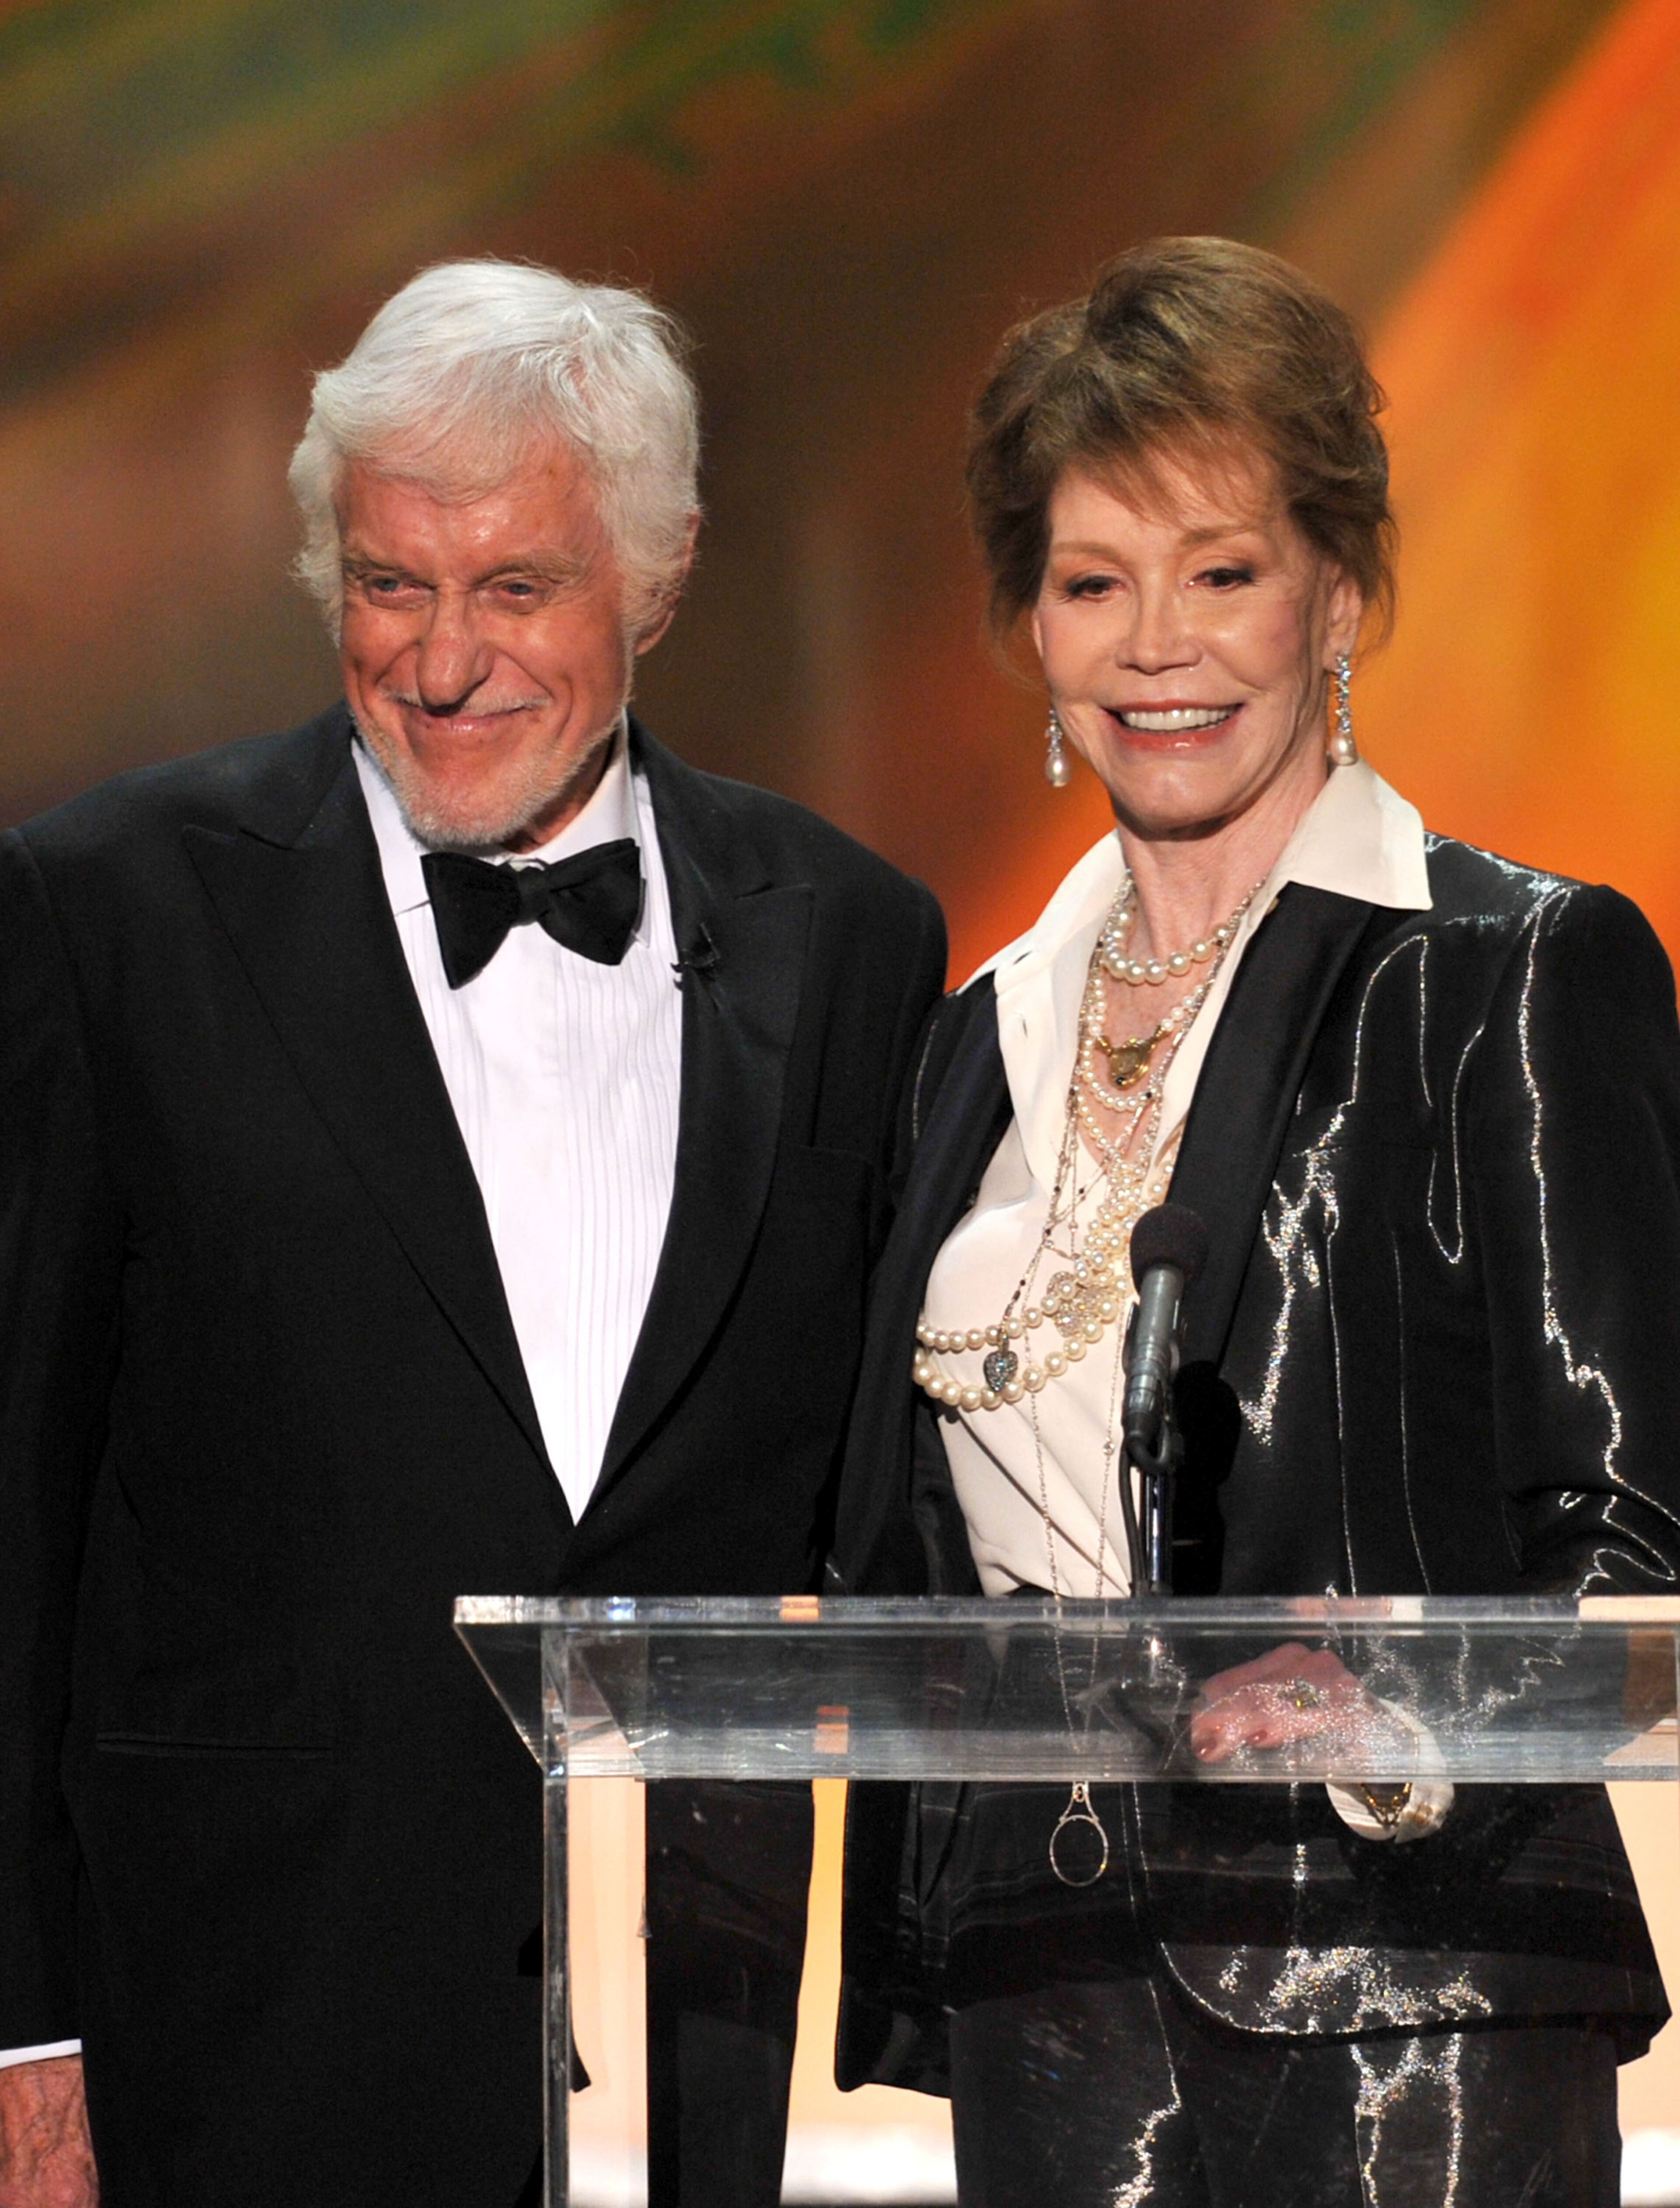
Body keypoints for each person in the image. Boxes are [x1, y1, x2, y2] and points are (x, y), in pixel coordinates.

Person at [0, 259, 945, 2208]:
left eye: (516, 587)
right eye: (388, 583)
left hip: (710, 2053)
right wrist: (23, 2033)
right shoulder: (107, 914)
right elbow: (6, 1525)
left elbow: (884, 1514)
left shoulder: (853, 936)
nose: (441, 660)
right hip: (241, 2041)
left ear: (659, 579)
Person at [830, 237, 1680, 2206]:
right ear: (1028, 625)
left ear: (1342, 594)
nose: (1159, 645)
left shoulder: (1507, 975)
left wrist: (1393, 1716)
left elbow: (1635, 1537)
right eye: (1093, 582)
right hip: (1038, 1991)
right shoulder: (975, 1038)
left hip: (1406, 1998)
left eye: (1224, 572)